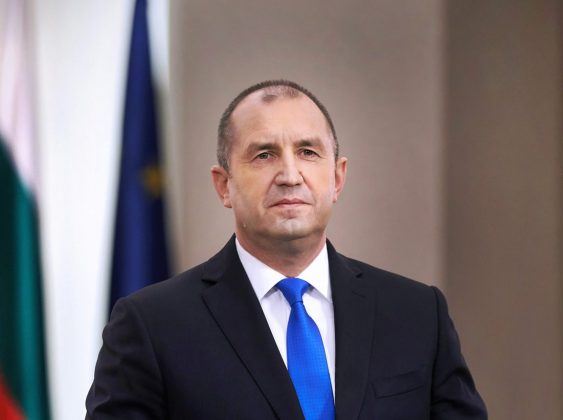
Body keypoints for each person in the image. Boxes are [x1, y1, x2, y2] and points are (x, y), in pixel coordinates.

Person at [86, 80, 487, 419]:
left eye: (308, 152)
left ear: (337, 178)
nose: (290, 175)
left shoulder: (419, 315)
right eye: (264, 155)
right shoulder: (151, 326)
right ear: (223, 185)